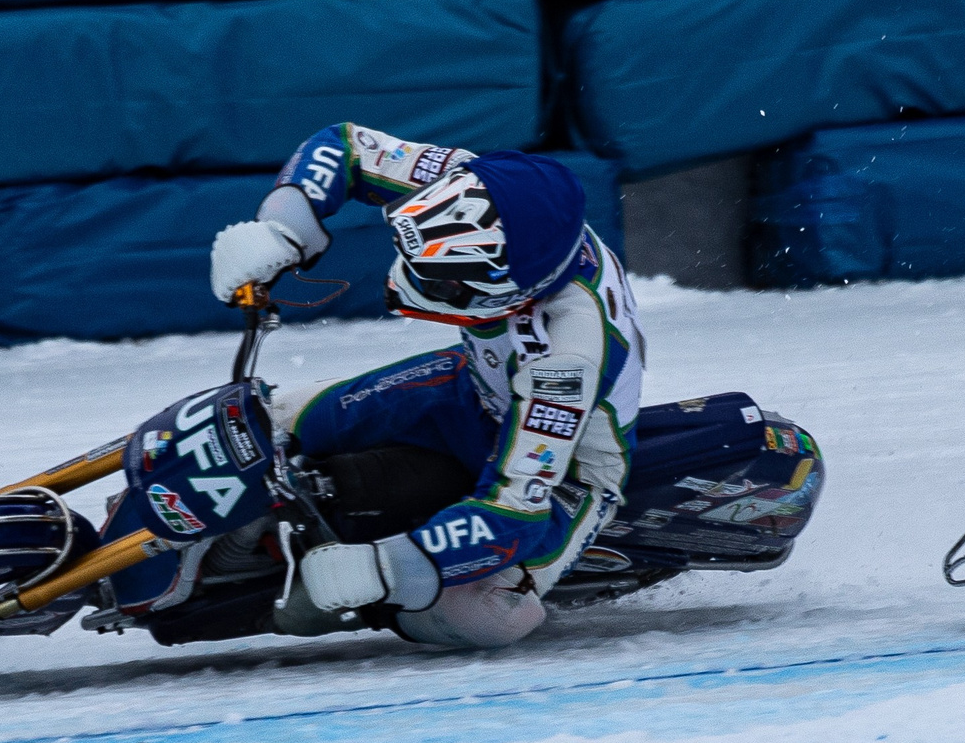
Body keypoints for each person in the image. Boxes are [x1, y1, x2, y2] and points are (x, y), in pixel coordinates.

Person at [209, 122, 644, 649]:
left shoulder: (568, 357)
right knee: (273, 417)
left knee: (479, 613)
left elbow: (518, 508)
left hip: (568, 466)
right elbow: (344, 147)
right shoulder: (475, 192)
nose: (411, 277)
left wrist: (385, 568)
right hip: (475, 386)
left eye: (444, 279)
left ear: (512, 290)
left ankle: (354, 603)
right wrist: (283, 227)